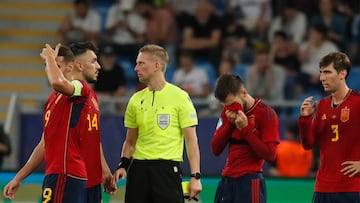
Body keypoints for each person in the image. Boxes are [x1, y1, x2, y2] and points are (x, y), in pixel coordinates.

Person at [3, 43, 115, 202]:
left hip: (66, 175)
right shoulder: (63, 99)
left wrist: (49, 56)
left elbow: (57, 82)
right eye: (47, 65)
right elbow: (44, 144)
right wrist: (19, 177)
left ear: (71, 67)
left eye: (56, 65)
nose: (49, 69)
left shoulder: (80, 88)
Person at [113, 44, 202, 203]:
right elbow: (130, 141)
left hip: (167, 171)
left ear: (156, 66)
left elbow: (191, 140)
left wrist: (195, 176)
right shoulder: (135, 99)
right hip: (138, 171)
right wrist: (123, 165)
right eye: (136, 63)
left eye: (141, 63)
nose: (135, 68)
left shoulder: (180, 97)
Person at [298, 51, 360, 202]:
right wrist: (305, 119)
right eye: (321, 73)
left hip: (351, 187)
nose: (322, 78)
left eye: (327, 72)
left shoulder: (358, 103)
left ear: (342, 74)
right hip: (323, 186)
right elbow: (308, 144)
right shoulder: (322, 105)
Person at [211, 74, 280, 203]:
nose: (229, 107)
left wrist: (246, 129)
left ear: (243, 93)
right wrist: (230, 124)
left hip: (250, 179)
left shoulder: (266, 114)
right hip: (227, 178)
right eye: (226, 105)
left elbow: (271, 155)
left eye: (232, 103)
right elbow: (215, 149)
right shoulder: (228, 111)